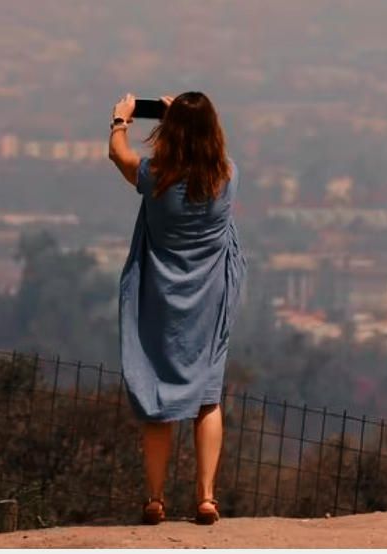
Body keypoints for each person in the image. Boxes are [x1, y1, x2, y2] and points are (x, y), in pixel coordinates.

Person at [107, 91, 246, 525]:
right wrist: (181, 119)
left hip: (160, 295)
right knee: (207, 396)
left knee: (156, 391)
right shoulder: (227, 176)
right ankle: (206, 497)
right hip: (209, 296)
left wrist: (121, 121)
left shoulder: (155, 177)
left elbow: (119, 156)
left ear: (171, 133)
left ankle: (155, 498)